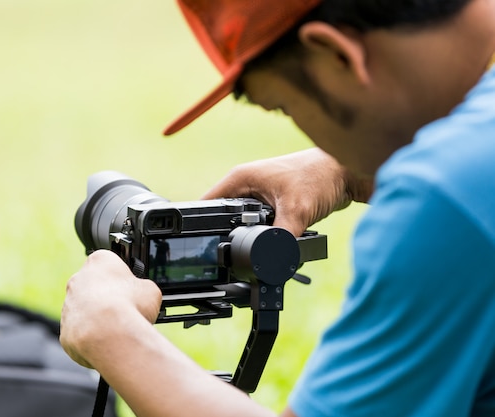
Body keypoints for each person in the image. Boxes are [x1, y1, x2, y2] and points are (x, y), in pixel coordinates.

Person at [60, 0, 495, 416]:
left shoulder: (442, 198)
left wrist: (113, 334)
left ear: (335, 55)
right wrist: (350, 168)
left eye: (284, 106)